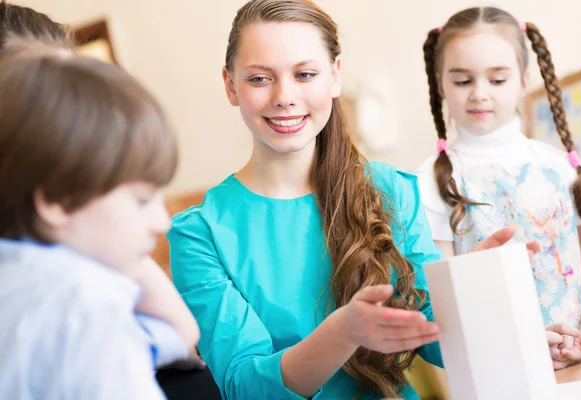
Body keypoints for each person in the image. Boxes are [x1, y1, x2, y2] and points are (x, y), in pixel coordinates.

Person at [168, 1, 537, 398]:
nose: (284, 96)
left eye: (305, 74)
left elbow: (430, 329)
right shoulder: (199, 234)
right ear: (230, 85)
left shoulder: (391, 189)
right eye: (260, 79)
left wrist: (477, 296)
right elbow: (244, 386)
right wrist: (341, 334)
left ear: (335, 76)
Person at [0, 41, 198, 399]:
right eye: (141, 200)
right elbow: (182, 334)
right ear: (57, 200)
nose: (162, 221)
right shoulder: (87, 302)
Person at [415, 6, 581, 370]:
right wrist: (522, 347)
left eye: (497, 80)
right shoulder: (427, 184)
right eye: (462, 80)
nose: (479, 94)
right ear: (440, 83)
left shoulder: (566, 171)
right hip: (493, 372)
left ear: (524, 79)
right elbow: (441, 302)